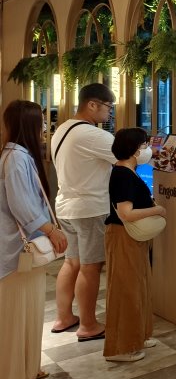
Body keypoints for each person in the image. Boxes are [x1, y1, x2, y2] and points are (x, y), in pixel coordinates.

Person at [0, 101, 68, 379]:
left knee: (27, 312)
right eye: (40, 122)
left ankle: (27, 368)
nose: (43, 128)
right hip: (18, 251)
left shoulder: (15, 155)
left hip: (21, 250)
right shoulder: (16, 158)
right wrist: (51, 230)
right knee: (17, 316)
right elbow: (23, 206)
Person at [51, 82, 116, 342]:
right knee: (91, 266)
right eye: (108, 107)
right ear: (92, 104)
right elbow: (130, 155)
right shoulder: (92, 135)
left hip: (66, 206)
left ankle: (64, 317)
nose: (109, 112)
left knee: (71, 262)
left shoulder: (63, 129)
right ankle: (88, 325)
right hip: (89, 208)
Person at [104, 128, 165, 363]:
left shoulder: (128, 171)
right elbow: (126, 213)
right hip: (122, 235)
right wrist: (157, 210)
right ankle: (123, 347)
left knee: (139, 286)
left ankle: (138, 336)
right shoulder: (122, 174)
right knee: (126, 290)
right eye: (144, 145)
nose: (147, 149)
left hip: (132, 237)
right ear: (133, 149)